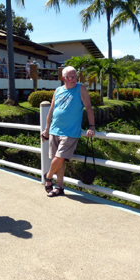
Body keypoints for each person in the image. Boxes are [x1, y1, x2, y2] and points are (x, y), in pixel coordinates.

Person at [41, 66, 96, 197]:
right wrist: (47, 129)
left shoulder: (80, 88)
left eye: (75, 77)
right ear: (64, 78)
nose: (73, 79)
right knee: (59, 161)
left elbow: (88, 108)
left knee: (59, 158)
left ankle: (48, 178)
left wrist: (92, 126)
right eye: (70, 77)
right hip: (55, 130)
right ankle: (60, 187)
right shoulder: (58, 90)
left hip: (70, 132)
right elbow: (51, 110)